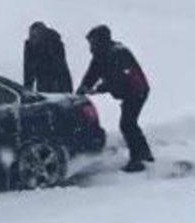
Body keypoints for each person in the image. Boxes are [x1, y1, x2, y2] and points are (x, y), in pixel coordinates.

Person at [77, 24, 154, 172]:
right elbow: (92, 74)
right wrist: (82, 89)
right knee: (130, 123)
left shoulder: (117, 53)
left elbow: (117, 79)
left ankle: (137, 160)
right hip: (130, 92)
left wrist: (98, 89)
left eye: (92, 42)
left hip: (137, 91)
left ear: (101, 40)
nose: (90, 46)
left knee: (127, 124)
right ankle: (144, 153)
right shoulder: (101, 55)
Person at [23, 21, 73, 93]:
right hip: (43, 81)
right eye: (32, 36)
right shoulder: (30, 47)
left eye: (35, 36)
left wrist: (67, 90)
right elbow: (28, 68)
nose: (33, 39)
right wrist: (27, 87)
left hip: (56, 82)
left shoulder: (53, 43)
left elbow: (61, 67)